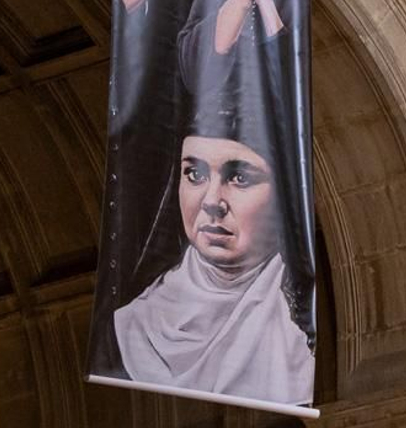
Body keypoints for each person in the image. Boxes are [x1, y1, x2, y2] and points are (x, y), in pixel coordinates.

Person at [112, 94, 315, 406]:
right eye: (195, 174)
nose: (211, 201)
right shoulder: (134, 322)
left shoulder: (300, 325)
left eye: (240, 177)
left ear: (285, 190)